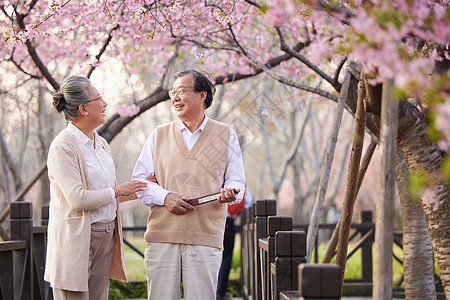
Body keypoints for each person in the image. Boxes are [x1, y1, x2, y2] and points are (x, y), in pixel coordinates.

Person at [132, 70, 246, 300]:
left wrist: (231, 192)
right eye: (173, 92)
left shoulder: (226, 134)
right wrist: (165, 197)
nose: (175, 97)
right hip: (161, 237)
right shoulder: (158, 134)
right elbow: (139, 182)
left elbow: (237, 181)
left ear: (202, 95)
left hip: (205, 237)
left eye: (181, 91)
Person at [45, 75, 147, 300]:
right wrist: (119, 190)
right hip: (77, 239)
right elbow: (78, 199)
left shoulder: (100, 143)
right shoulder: (63, 146)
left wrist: (141, 187)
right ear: (83, 108)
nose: (105, 104)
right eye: (99, 98)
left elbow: (106, 196)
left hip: (106, 236)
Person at [216, 185, 253, 300]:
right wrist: (236, 214)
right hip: (228, 220)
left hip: (213, 221)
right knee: (226, 257)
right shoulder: (240, 184)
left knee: (212, 253)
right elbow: (248, 202)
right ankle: (220, 293)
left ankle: (213, 291)